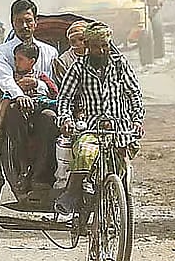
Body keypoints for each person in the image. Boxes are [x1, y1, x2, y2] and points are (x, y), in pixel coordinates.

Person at [55, 22, 145, 214]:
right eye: (97, 47)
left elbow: (134, 93)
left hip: (119, 129)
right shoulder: (78, 68)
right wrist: (66, 119)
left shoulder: (120, 65)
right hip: (91, 127)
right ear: (88, 46)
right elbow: (64, 99)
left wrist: (137, 120)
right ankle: (72, 193)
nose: (102, 50)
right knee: (85, 153)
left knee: (122, 166)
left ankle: (118, 201)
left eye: (105, 45)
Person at [0, 0, 59, 189]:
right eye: (19, 21)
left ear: (36, 22)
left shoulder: (50, 52)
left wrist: (38, 84)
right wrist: (19, 94)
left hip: (42, 104)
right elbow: (4, 80)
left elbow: (53, 83)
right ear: (13, 22)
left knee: (50, 118)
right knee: (14, 111)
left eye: (28, 21)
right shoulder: (0, 52)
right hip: (16, 104)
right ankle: (22, 169)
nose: (24, 26)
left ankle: (41, 175)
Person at [0, 42, 58, 140]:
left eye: (20, 60)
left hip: (39, 103)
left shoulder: (39, 75)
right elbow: (5, 92)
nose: (16, 63)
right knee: (9, 101)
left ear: (32, 62)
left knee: (50, 114)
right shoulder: (12, 78)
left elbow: (54, 91)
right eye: (15, 59)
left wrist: (37, 84)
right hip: (20, 107)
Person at [52, 20, 87, 85]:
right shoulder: (63, 60)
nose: (78, 43)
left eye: (81, 39)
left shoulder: (95, 53)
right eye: (73, 41)